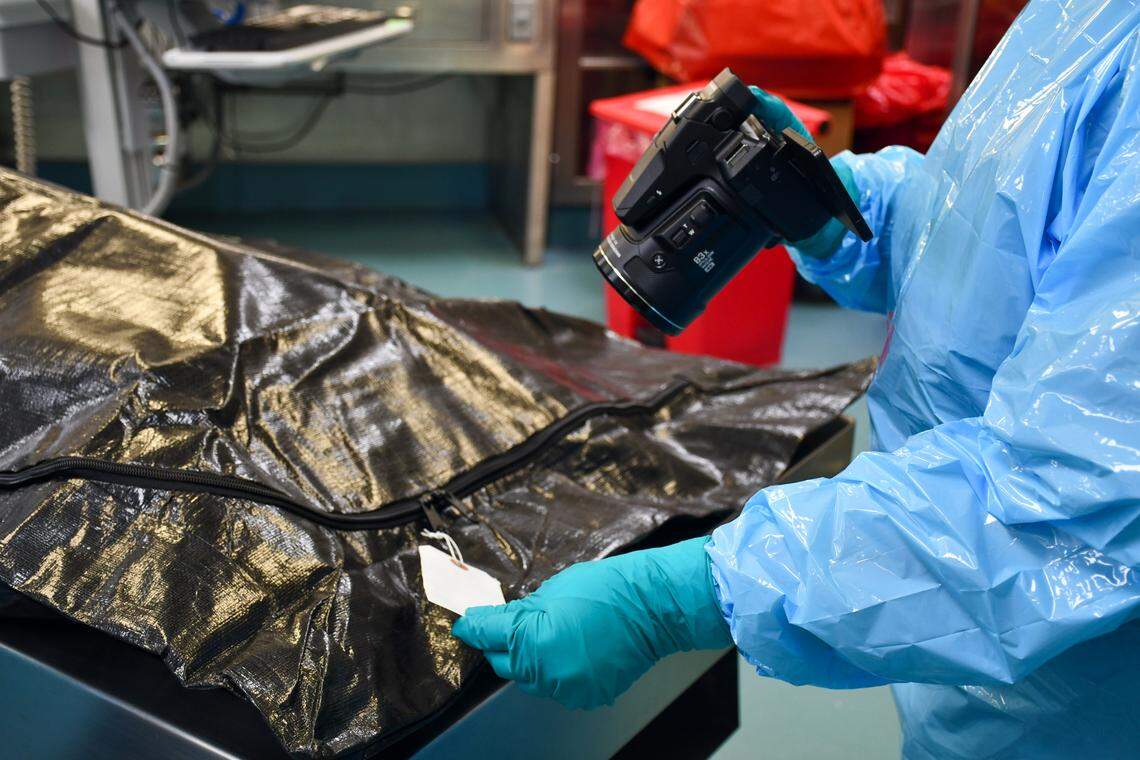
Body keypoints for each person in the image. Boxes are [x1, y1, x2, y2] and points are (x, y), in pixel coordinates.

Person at [453, 1, 1140, 756]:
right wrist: (830, 203)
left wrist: (686, 596)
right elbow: (993, 239)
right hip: (991, 679)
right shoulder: (1081, 15)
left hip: (1083, 693)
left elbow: (1078, 513)